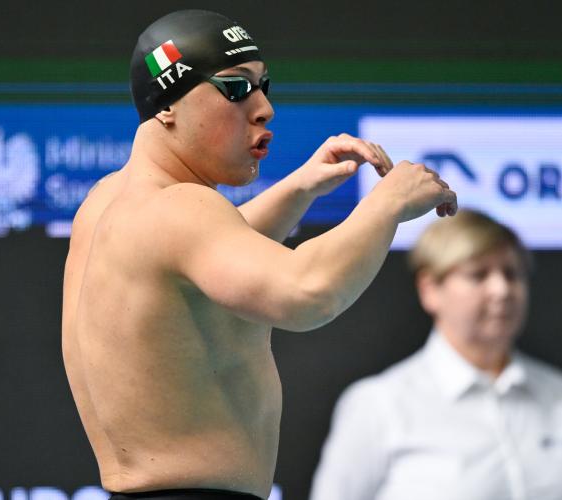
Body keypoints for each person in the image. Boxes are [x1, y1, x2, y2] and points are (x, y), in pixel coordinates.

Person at [61, 9, 457, 500]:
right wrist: (388, 203)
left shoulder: (106, 203)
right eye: (235, 88)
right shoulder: (179, 209)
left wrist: (300, 186)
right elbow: (308, 293)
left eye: (263, 86)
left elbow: (204, 253)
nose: (264, 107)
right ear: (167, 106)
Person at [310, 209, 562, 500]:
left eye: (512, 274)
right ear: (430, 290)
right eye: (478, 275)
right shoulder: (379, 405)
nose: (502, 290)